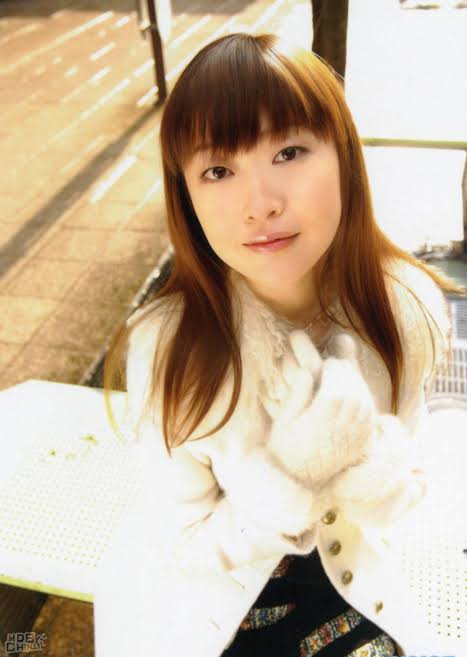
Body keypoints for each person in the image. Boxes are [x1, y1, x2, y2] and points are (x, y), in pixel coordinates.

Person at [94, 32, 463, 657]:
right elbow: (181, 546)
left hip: (358, 593)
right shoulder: (173, 352)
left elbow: (407, 493)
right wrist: (292, 473)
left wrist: (367, 462)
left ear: (344, 157)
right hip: (215, 618)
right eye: (218, 170)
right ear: (186, 195)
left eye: (289, 152)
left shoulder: (400, 312)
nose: (259, 204)